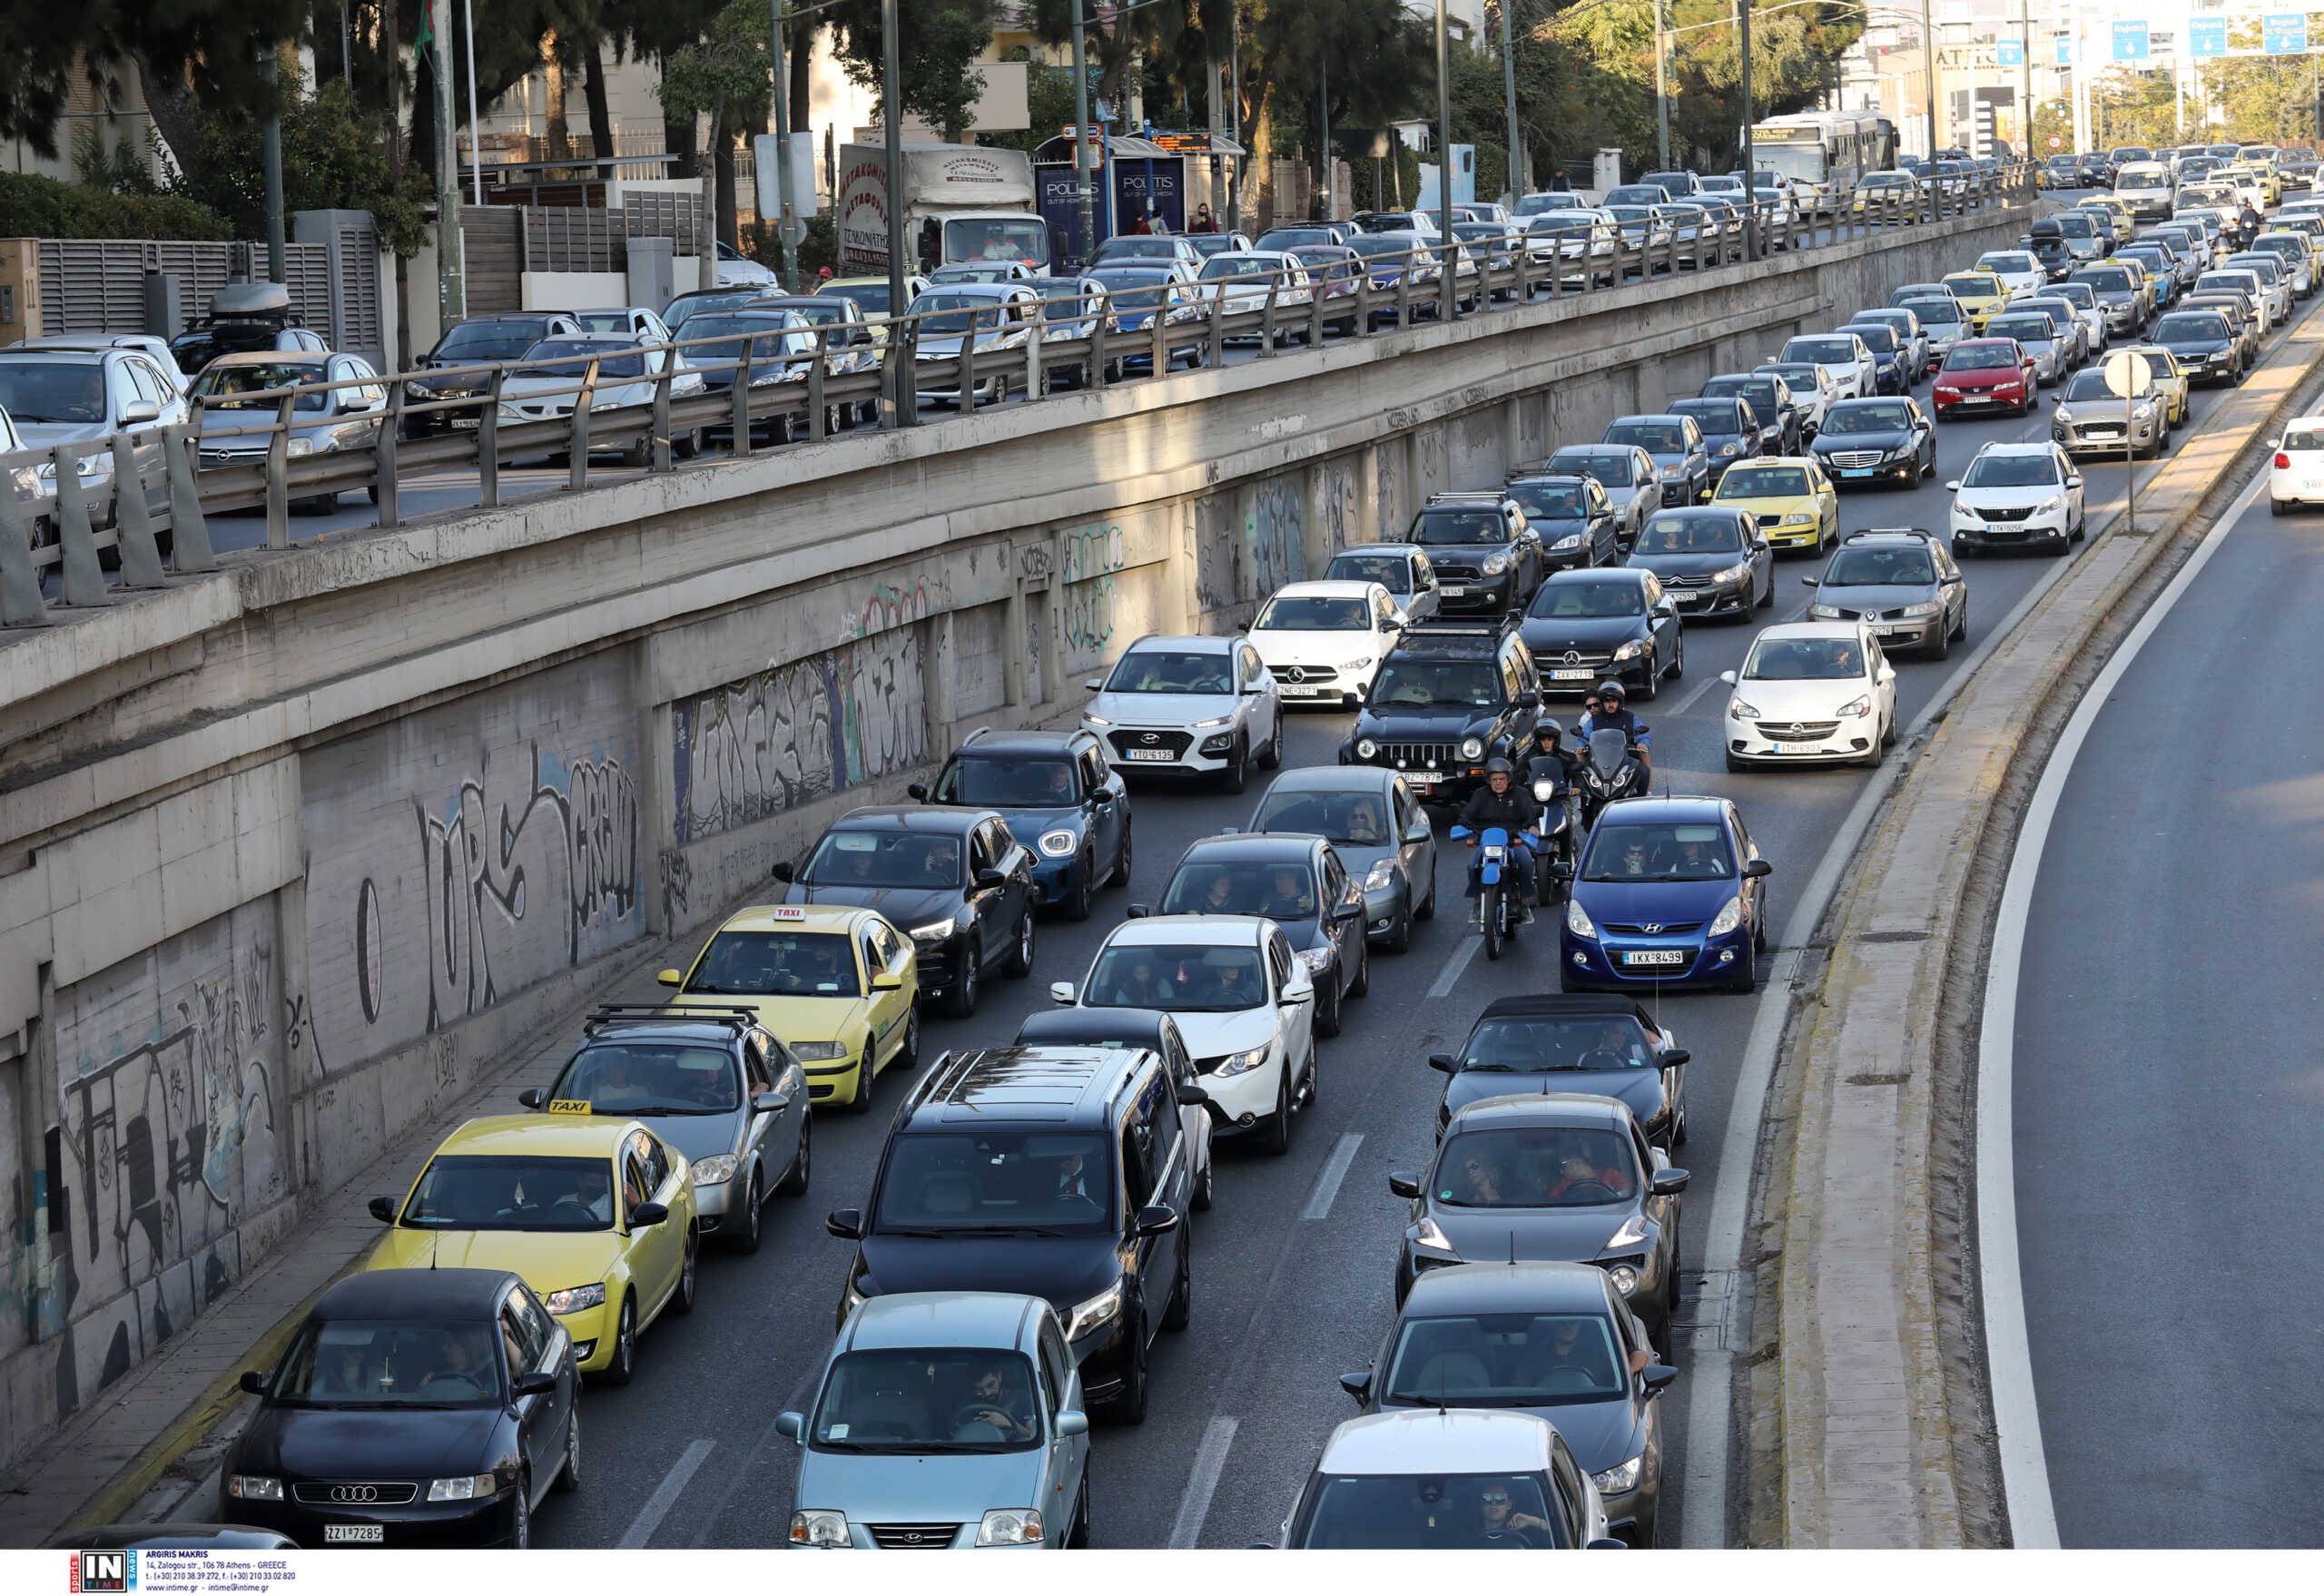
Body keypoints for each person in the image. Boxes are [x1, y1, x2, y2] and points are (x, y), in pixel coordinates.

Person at [1454, 758, 1541, 924]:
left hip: (1512, 840)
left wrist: (1532, 826)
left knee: (1526, 862)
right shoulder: (1480, 795)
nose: (1498, 783)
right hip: (1486, 842)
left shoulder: (1520, 794)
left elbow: (1529, 814)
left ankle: (1524, 904)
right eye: (1494, 779)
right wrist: (1462, 825)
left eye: (1501, 779)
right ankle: (1478, 904)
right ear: (1489, 780)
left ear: (1508, 778)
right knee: (1472, 865)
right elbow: (1468, 814)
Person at [1577, 679, 1652, 774]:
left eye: (1614, 701)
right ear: (1602, 703)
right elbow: (1584, 736)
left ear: (1620, 702)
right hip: (1599, 757)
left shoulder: (1630, 717)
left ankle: (1648, 790)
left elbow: (1643, 734)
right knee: (1577, 764)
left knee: (1644, 769)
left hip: (1626, 757)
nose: (1610, 704)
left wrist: (1643, 743)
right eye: (1607, 701)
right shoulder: (1594, 720)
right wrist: (1579, 745)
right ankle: (1579, 786)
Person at [958, 1359, 1037, 1442]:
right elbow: (956, 1434)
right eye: (979, 1389)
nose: (987, 1393)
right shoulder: (968, 1403)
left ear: (999, 1377)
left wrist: (1009, 1423)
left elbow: (1032, 1435)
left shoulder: (1021, 1398)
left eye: (990, 1385)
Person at [1474, 1482, 1556, 1543]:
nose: (1493, 1504)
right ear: (1480, 1504)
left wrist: (1531, 1521)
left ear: (1509, 1504)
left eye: (1500, 1499)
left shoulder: (1525, 1532)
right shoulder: (1466, 1534)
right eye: (1487, 1499)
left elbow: (1558, 1534)